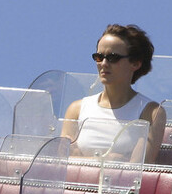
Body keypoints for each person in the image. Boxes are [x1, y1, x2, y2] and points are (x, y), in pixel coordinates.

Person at [63, 24, 166, 164]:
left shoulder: (151, 112)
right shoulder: (76, 109)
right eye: (99, 57)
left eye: (113, 58)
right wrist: (105, 160)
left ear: (135, 64)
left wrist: (83, 159)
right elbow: (63, 162)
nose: (104, 64)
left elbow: (137, 168)